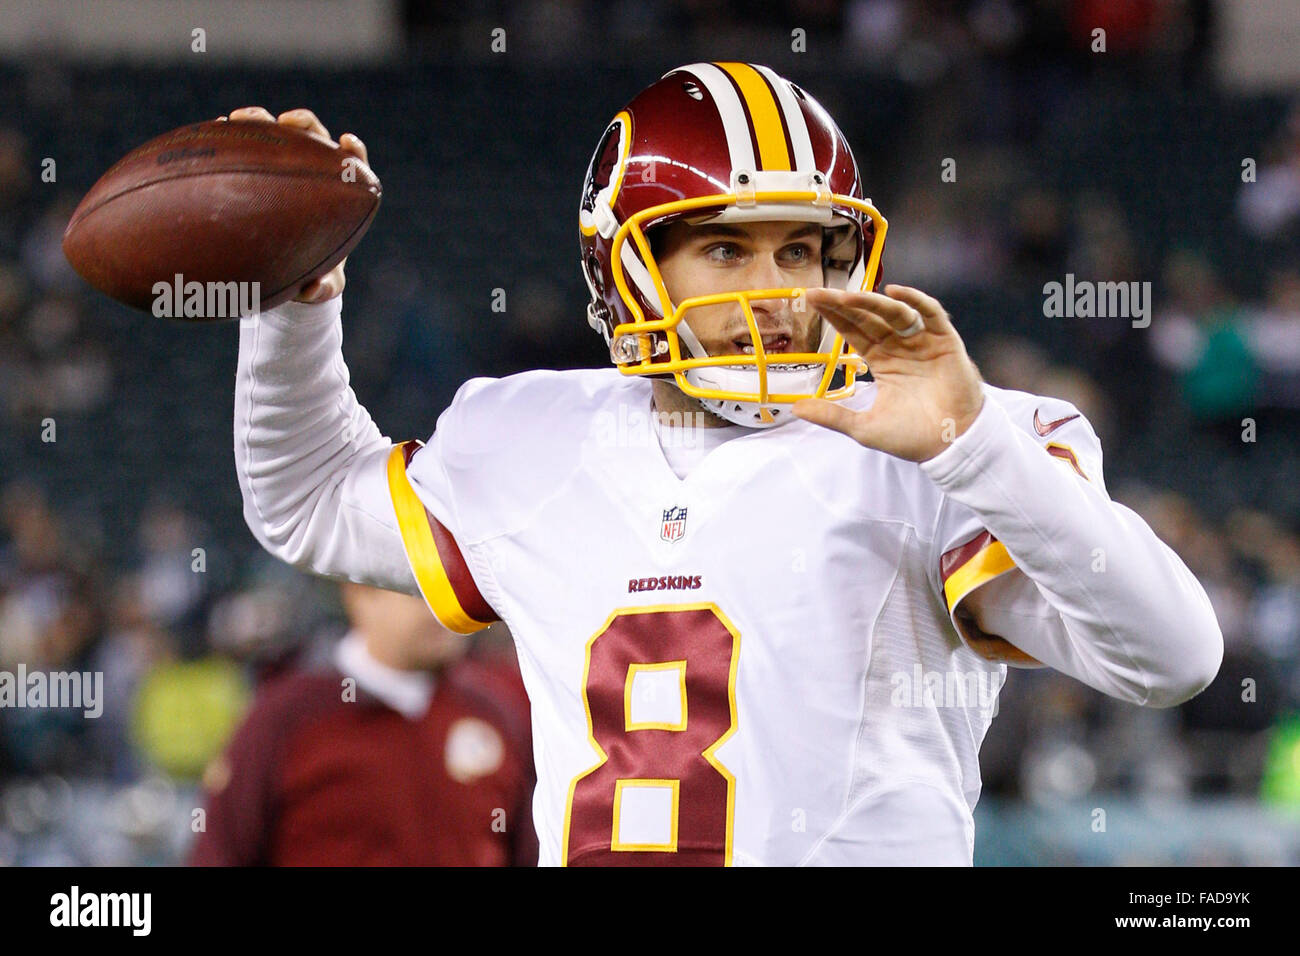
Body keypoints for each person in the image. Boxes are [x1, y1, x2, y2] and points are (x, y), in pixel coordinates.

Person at [222, 62, 1222, 865]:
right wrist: (292, 303)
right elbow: (305, 499)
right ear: (626, 268)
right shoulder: (528, 435)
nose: (778, 293)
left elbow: (1174, 658)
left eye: (802, 251)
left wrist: (977, 451)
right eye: (728, 251)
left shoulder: (943, 442)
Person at [188, 582, 536, 866]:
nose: (445, 605)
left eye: (452, 584)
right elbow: (221, 852)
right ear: (360, 592)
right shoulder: (287, 716)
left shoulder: (497, 715)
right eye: (421, 588)